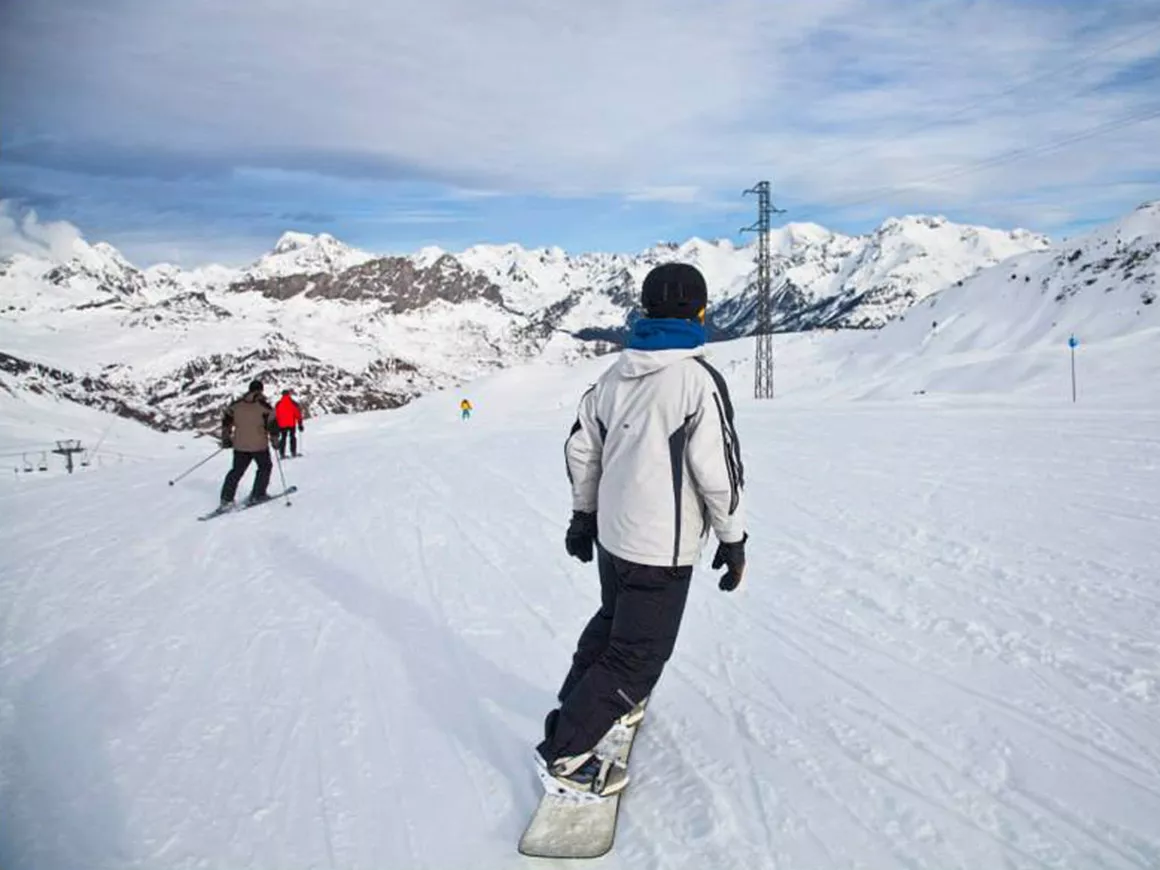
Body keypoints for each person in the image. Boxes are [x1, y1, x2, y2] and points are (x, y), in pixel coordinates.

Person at [536, 262, 748, 798]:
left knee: (613, 626)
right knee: (638, 656)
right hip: (661, 548)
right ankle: (565, 753)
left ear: (646, 311)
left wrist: (583, 517)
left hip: (614, 538)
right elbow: (719, 472)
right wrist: (732, 538)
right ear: (700, 312)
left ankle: (575, 707)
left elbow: (580, 449)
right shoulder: (697, 380)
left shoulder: (613, 375)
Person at [219, 379, 277, 507]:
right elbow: (272, 426)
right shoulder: (265, 407)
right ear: (261, 390)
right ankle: (258, 494)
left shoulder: (236, 405)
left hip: (240, 445)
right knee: (264, 467)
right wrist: (275, 442)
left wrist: (226, 440)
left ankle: (226, 499)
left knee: (236, 471)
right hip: (259, 445)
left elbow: (226, 423)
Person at [275, 389, 305, 458]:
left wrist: (276, 425)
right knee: (292, 437)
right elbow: (298, 414)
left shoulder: (278, 404)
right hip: (291, 424)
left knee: (283, 438)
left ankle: (282, 454)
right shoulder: (293, 403)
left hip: (281, 425)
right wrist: (300, 424)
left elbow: (276, 415)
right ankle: (293, 452)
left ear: (282, 395)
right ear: (289, 394)